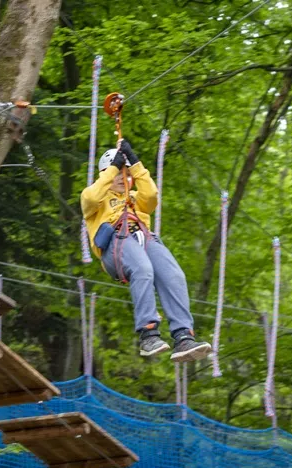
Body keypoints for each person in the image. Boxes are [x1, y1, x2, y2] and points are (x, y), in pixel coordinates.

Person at [81, 139, 212, 363]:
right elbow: (92, 197)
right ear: (105, 175)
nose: (121, 178)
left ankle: (183, 336)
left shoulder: (134, 199)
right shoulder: (95, 198)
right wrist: (114, 166)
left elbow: (151, 196)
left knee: (174, 275)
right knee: (142, 269)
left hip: (142, 238)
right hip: (115, 244)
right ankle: (148, 333)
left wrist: (135, 163)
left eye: (125, 174)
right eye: (115, 174)